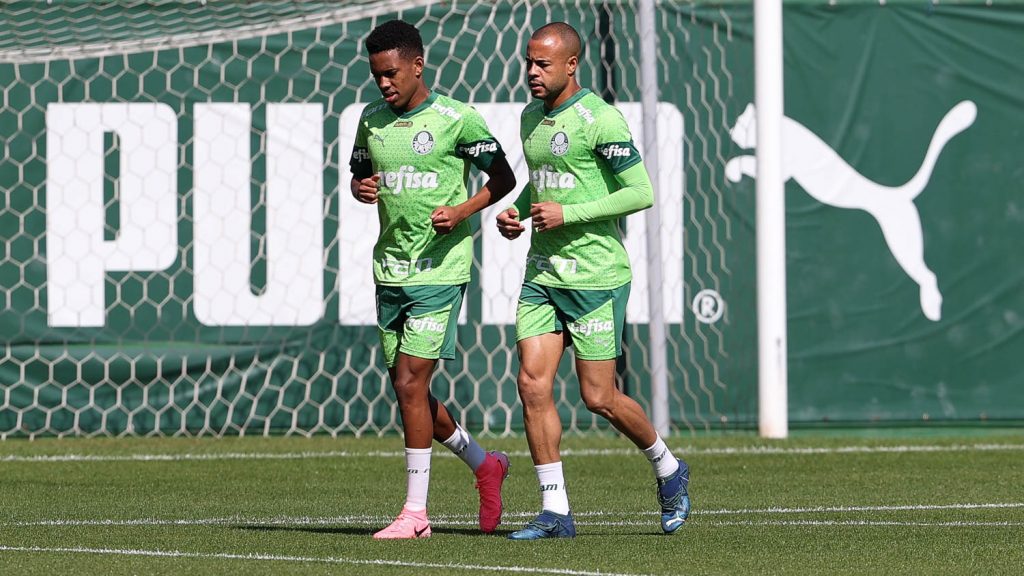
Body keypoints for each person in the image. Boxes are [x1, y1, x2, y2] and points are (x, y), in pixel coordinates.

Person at [496, 22, 690, 539]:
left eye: (543, 64)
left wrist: (571, 214)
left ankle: (669, 468)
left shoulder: (600, 119)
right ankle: (555, 511)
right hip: (543, 273)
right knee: (532, 384)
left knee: (598, 397)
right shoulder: (530, 117)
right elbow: (542, 186)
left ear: (571, 65)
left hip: (597, 276)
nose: (533, 73)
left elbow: (640, 192)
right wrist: (515, 213)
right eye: (529, 63)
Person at [349, 19, 516, 539]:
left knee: (409, 381)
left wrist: (463, 209)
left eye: (392, 73)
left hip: (440, 270)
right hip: (390, 268)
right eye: (376, 75)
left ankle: (416, 515)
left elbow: (505, 177)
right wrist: (361, 186)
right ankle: (485, 464)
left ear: (417, 65)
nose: (384, 84)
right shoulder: (372, 119)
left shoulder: (455, 119)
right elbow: (357, 169)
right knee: (410, 393)